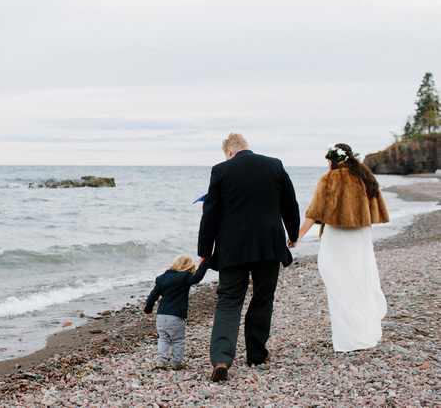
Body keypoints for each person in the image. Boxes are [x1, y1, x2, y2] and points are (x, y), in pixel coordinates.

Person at [198, 133, 300, 382]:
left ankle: (221, 358)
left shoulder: (220, 170)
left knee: (229, 300)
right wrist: (293, 234)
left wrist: (204, 252)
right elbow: (290, 203)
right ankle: (256, 354)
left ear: (229, 152)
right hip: (269, 244)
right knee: (263, 298)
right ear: (246, 147)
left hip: (234, 248)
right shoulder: (274, 164)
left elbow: (210, 211)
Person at [289, 143, 389, 352]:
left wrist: (297, 236)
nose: (327, 164)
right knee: (361, 281)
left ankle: (348, 339)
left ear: (334, 159)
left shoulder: (330, 178)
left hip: (337, 235)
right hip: (361, 234)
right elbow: (373, 206)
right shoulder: (365, 176)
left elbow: (314, 212)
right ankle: (366, 332)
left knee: (338, 284)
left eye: (328, 160)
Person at [144, 254, 209, 370]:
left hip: (161, 315)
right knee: (178, 340)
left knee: (163, 337)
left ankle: (161, 360)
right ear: (188, 267)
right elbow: (197, 277)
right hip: (176, 316)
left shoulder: (162, 278)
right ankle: (176, 362)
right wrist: (205, 263)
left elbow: (153, 296)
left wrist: (148, 309)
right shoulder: (185, 277)